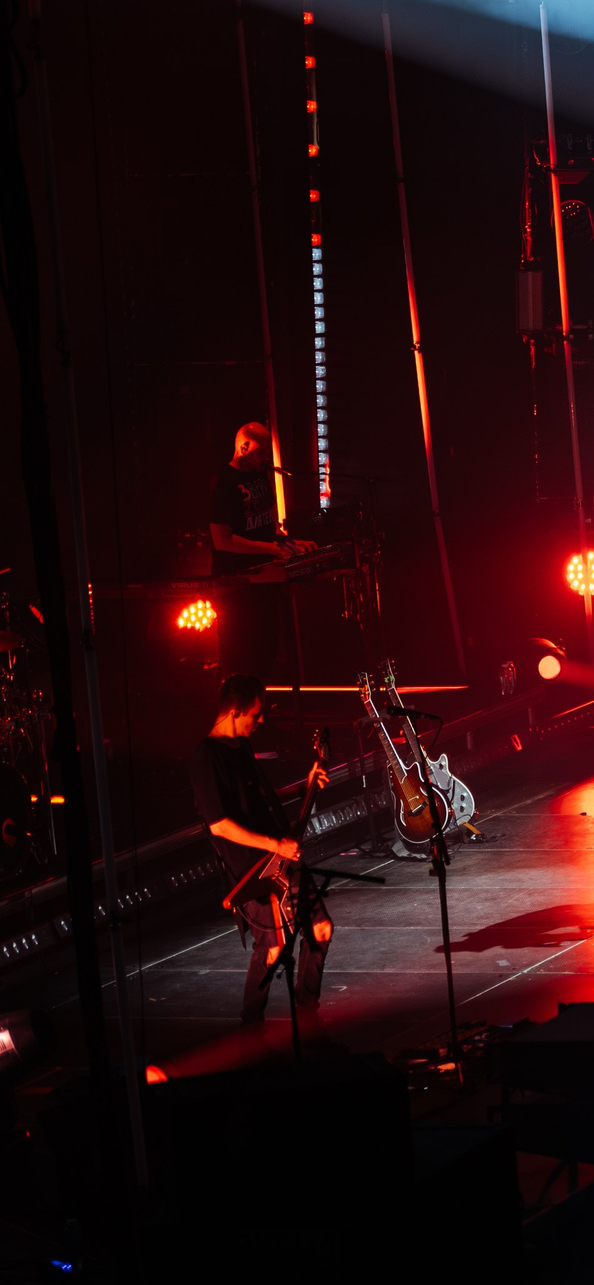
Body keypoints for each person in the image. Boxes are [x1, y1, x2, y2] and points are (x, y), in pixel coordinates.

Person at [192, 671, 330, 1026]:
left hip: (280, 854)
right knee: (272, 949)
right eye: (256, 713)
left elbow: (258, 803)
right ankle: (252, 1024)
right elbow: (219, 823)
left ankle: (308, 1010)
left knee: (320, 929)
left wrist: (304, 787)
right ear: (235, 711)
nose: (261, 719)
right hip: (253, 868)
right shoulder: (208, 756)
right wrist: (274, 845)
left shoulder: (242, 746)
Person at [206, 422, 314, 682]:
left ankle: (259, 719)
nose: (266, 460)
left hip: (264, 583)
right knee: (240, 662)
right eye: (261, 453)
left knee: (266, 653)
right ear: (244, 447)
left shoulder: (259, 477)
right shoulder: (223, 482)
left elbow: (263, 529)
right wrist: (270, 549)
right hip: (235, 587)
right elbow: (222, 540)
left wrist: (290, 544)